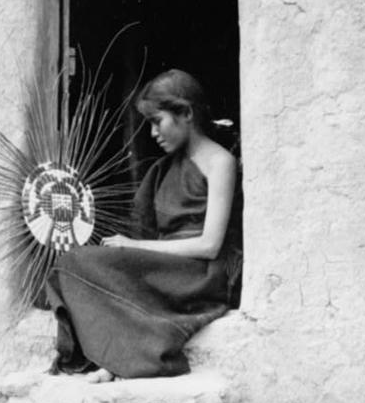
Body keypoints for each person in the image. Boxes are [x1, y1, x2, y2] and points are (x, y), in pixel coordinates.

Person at [46, 68, 242, 382]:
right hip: (163, 265)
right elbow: (141, 228)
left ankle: (127, 360)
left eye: (157, 121)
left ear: (186, 113)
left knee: (85, 265)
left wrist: (134, 248)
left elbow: (210, 245)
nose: (153, 133)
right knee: (70, 264)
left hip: (199, 273)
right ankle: (114, 357)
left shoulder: (221, 162)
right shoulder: (161, 170)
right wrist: (125, 249)